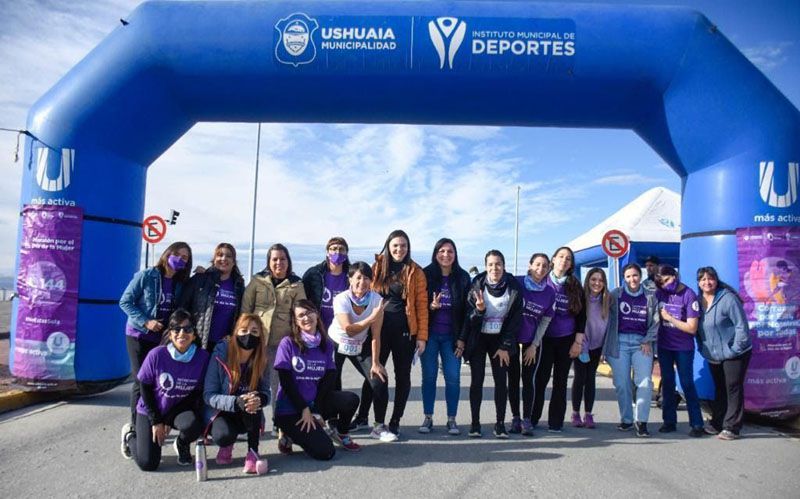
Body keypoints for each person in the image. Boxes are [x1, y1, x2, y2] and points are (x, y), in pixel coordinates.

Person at [119, 242, 193, 459]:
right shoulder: (147, 276)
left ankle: (156, 421)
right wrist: (146, 321)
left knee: (160, 382)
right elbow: (125, 302)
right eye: (177, 254)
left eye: (185, 258)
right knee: (141, 380)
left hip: (162, 339)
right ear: (167, 254)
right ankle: (134, 425)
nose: (180, 259)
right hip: (139, 335)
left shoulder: (180, 283)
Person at [121, 309, 210, 471]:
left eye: (187, 329)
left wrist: (168, 420)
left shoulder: (203, 357)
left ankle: (181, 444)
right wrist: (156, 421)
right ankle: (130, 437)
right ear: (170, 334)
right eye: (177, 329)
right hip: (151, 410)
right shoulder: (157, 355)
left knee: (194, 424)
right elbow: (145, 388)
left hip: (177, 410)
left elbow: (196, 393)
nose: (182, 333)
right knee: (148, 463)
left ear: (194, 335)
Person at [274, 300, 361, 458]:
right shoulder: (287, 343)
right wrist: (304, 409)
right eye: (301, 315)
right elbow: (286, 383)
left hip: (314, 403)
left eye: (309, 312)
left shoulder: (326, 345)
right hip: (291, 408)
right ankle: (288, 434)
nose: (306, 318)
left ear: (317, 314)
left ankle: (340, 432)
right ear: (295, 321)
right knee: (326, 453)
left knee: (351, 399)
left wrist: (316, 411)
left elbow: (328, 380)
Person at [241, 243, 307, 451]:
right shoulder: (257, 281)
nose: (279, 263)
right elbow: (245, 310)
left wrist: (299, 342)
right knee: (252, 385)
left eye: (283, 259)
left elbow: (301, 315)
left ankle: (281, 429)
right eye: (275, 259)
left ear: (289, 262)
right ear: (269, 262)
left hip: (282, 345)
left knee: (279, 389)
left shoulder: (296, 285)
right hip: (256, 344)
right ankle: (254, 426)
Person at [458, 249, 522, 439]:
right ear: (486, 267)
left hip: (500, 341)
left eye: (498, 264)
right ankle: (475, 424)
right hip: (479, 339)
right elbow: (469, 319)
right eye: (491, 265)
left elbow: (515, 321)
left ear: (503, 266)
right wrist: (479, 311)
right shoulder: (476, 286)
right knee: (476, 381)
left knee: (501, 382)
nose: (495, 268)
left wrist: (505, 346)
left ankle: (500, 424)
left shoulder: (514, 287)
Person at [370, 229, 428, 437]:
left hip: (405, 332)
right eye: (395, 245)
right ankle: (374, 421)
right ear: (388, 246)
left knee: (402, 377)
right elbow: (363, 294)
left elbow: (422, 305)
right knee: (377, 375)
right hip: (379, 331)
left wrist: (421, 336)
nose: (399, 249)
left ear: (408, 248)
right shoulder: (377, 267)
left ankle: (395, 420)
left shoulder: (415, 271)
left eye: (403, 246)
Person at [327, 262, 392, 441]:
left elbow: (375, 335)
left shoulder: (376, 300)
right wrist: (372, 316)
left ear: (371, 281)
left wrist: (376, 362)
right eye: (358, 277)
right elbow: (349, 329)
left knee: (379, 379)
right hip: (336, 341)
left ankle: (379, 426)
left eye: (366, 278)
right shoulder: (341, 299)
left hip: (360, 344)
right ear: (350, 279)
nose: (362, 282)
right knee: (332, 380)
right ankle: (332, 422)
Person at [203, 313, 270, 474]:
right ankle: (227, 443)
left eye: (254, 332)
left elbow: (266, 392)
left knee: (253, 400)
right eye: (244, 330)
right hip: (223, 412)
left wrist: (259, 398)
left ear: (260, 335)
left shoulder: (262, 358)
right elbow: (208, 395)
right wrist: (235, 402)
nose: (248, 335)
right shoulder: (220, 354)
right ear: (235, 332)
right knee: (223, 436)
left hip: (249, 412)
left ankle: (253, 452)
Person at [419, 238, 471, 435]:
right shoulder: (426, 275)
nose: (446, 255)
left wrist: (462, 338)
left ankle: (452, 419)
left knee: (453, 378)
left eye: (450, 251)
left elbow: (468, 311)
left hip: (452, 337)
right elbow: (418, 306)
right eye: (442, 251)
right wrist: (431, 308)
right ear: (435, 253)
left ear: (455, 254)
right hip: (430, 335)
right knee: (429, 377)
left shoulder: (463, 277)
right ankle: (428, 418)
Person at [531, 246, 586, 432]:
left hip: (566, 339)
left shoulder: (575, 284)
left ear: (571, 264)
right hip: (544, 339)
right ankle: (531, 418)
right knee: (540, 379)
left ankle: (555, 422)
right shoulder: (542, 281)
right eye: (561, 256)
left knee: (560, 382)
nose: (564, 260)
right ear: (553, 259)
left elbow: (581, 315)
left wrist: (578, 342)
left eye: (568, 259)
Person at [696, 266, 752, 440]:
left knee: (733, 387)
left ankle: (732, 427)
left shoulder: (728, 299)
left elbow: (741, 326)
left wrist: (734, 349)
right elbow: (697, 329)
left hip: (735, 353)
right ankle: (717, 422)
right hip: (713, 355)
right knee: (720, 389)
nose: (707, 282)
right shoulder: (698, 302)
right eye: (703, 279)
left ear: (716, 279)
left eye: (710, 278)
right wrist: (702, 347)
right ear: (698, 282)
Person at [605, 263, 659, 437]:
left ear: (640, 276)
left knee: (644, 382)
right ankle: (627, 419)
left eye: (635, 275)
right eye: (628, 276)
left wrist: (647, 339)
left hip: (641, 343)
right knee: (622, 384)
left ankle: (641, 421)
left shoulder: (650, 297)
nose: (632, 279)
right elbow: (603, 315)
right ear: (624, 278)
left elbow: (656, 322)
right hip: (619, 342)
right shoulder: (615, 295)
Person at [508, 253, 555, 436]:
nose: (540, 269)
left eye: (544, 266)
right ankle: (515, 418)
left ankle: (527, 419)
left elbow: (545, 320)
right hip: (512, 339)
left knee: (528, 381)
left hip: (531, 341)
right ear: (530, 265)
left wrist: (534, 345)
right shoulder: (517, 282)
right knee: (512, 380)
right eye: (537, 264)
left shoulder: (549, 292)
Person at [655, 264, 704, 437]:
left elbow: (692, 328)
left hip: (683, 348)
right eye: (662, 283)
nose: (666, 284)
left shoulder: (689, 295)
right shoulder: (660, 293)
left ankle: (697, 423)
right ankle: (669, 421)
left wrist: (670, 318)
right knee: (667, 383)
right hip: (664, 346)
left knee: (687, 383)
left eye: (667, 280)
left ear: (674, 275)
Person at [571, 268, 615, 429]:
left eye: (600, 280)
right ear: (588, 280)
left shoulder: (608, 300)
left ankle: (588, 414)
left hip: (598, 345)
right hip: (582, 344)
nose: (597, 283)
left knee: (590, 379)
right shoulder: (581, 298)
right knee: (580, 377)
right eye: (593, 279)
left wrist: (604, 349)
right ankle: (575, 413)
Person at [179, 243, 245, 352]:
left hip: (224, 345)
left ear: (234, 262)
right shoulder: (200, 279)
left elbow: (239, 315)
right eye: (220, 255)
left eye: (228, 256)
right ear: (214, 259)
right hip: (198, 342)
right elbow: (182, 307)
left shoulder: (238, 285)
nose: (223, 258)